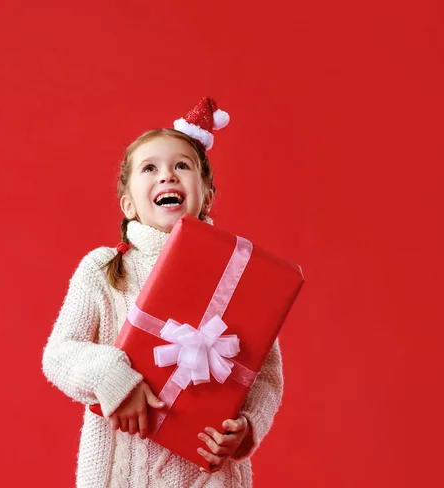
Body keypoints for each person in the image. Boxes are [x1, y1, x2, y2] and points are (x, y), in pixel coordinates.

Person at [42, 97, 284, 487]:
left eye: (182, 166)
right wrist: (112, 378)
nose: (167, 176)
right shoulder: (103, 269)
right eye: (150, 168)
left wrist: (247, 427)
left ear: (206, 195)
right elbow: (59, 354)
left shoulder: (239, 275)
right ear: (129, 205)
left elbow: (266, 376)